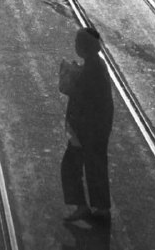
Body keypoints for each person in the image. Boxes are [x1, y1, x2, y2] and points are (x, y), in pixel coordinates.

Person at [59, 27, 113, 224]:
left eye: (77, 43)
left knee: (70, 166)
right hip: (98, 125)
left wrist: (69, 75)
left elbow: (79, 93)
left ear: (83, 47)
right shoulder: (97, 64)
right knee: (95, 165)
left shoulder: (91, 70)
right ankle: (101, 207)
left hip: (86, 127)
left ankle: (83, 206)